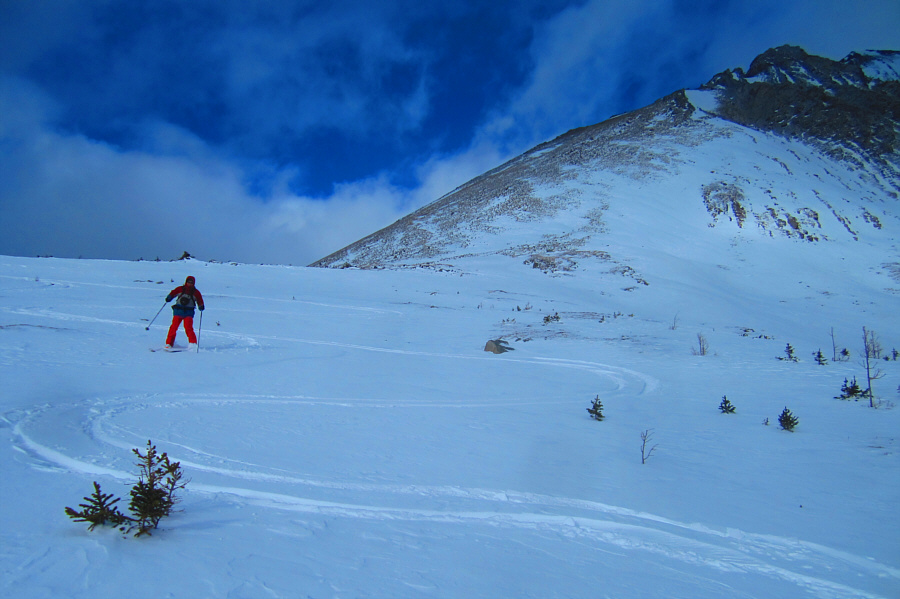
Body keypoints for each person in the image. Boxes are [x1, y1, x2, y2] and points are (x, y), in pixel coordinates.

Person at [164, 276, 205, 349]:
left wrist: (201, 306)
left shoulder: (196, 292)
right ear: (186, 282)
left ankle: (193, 344)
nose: (189, 284)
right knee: (173, 327)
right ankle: (169, 343)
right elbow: (173, 293)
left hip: (188, 313)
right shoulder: (180, 289)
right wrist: (169, 297)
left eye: (191, 282)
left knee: (188, 328)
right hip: (178, 311)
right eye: (188, 282)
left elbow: (199, 300)